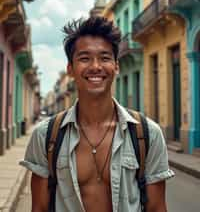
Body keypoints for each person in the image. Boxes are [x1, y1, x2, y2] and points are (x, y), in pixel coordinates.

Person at [20, 16, 174, 212]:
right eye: (84, 58)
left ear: (116, 66)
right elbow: (39, 208)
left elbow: (157, 208)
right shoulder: (46, 135)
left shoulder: (148, 134)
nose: (95, 66)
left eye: (105, 58)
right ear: (70, 69)